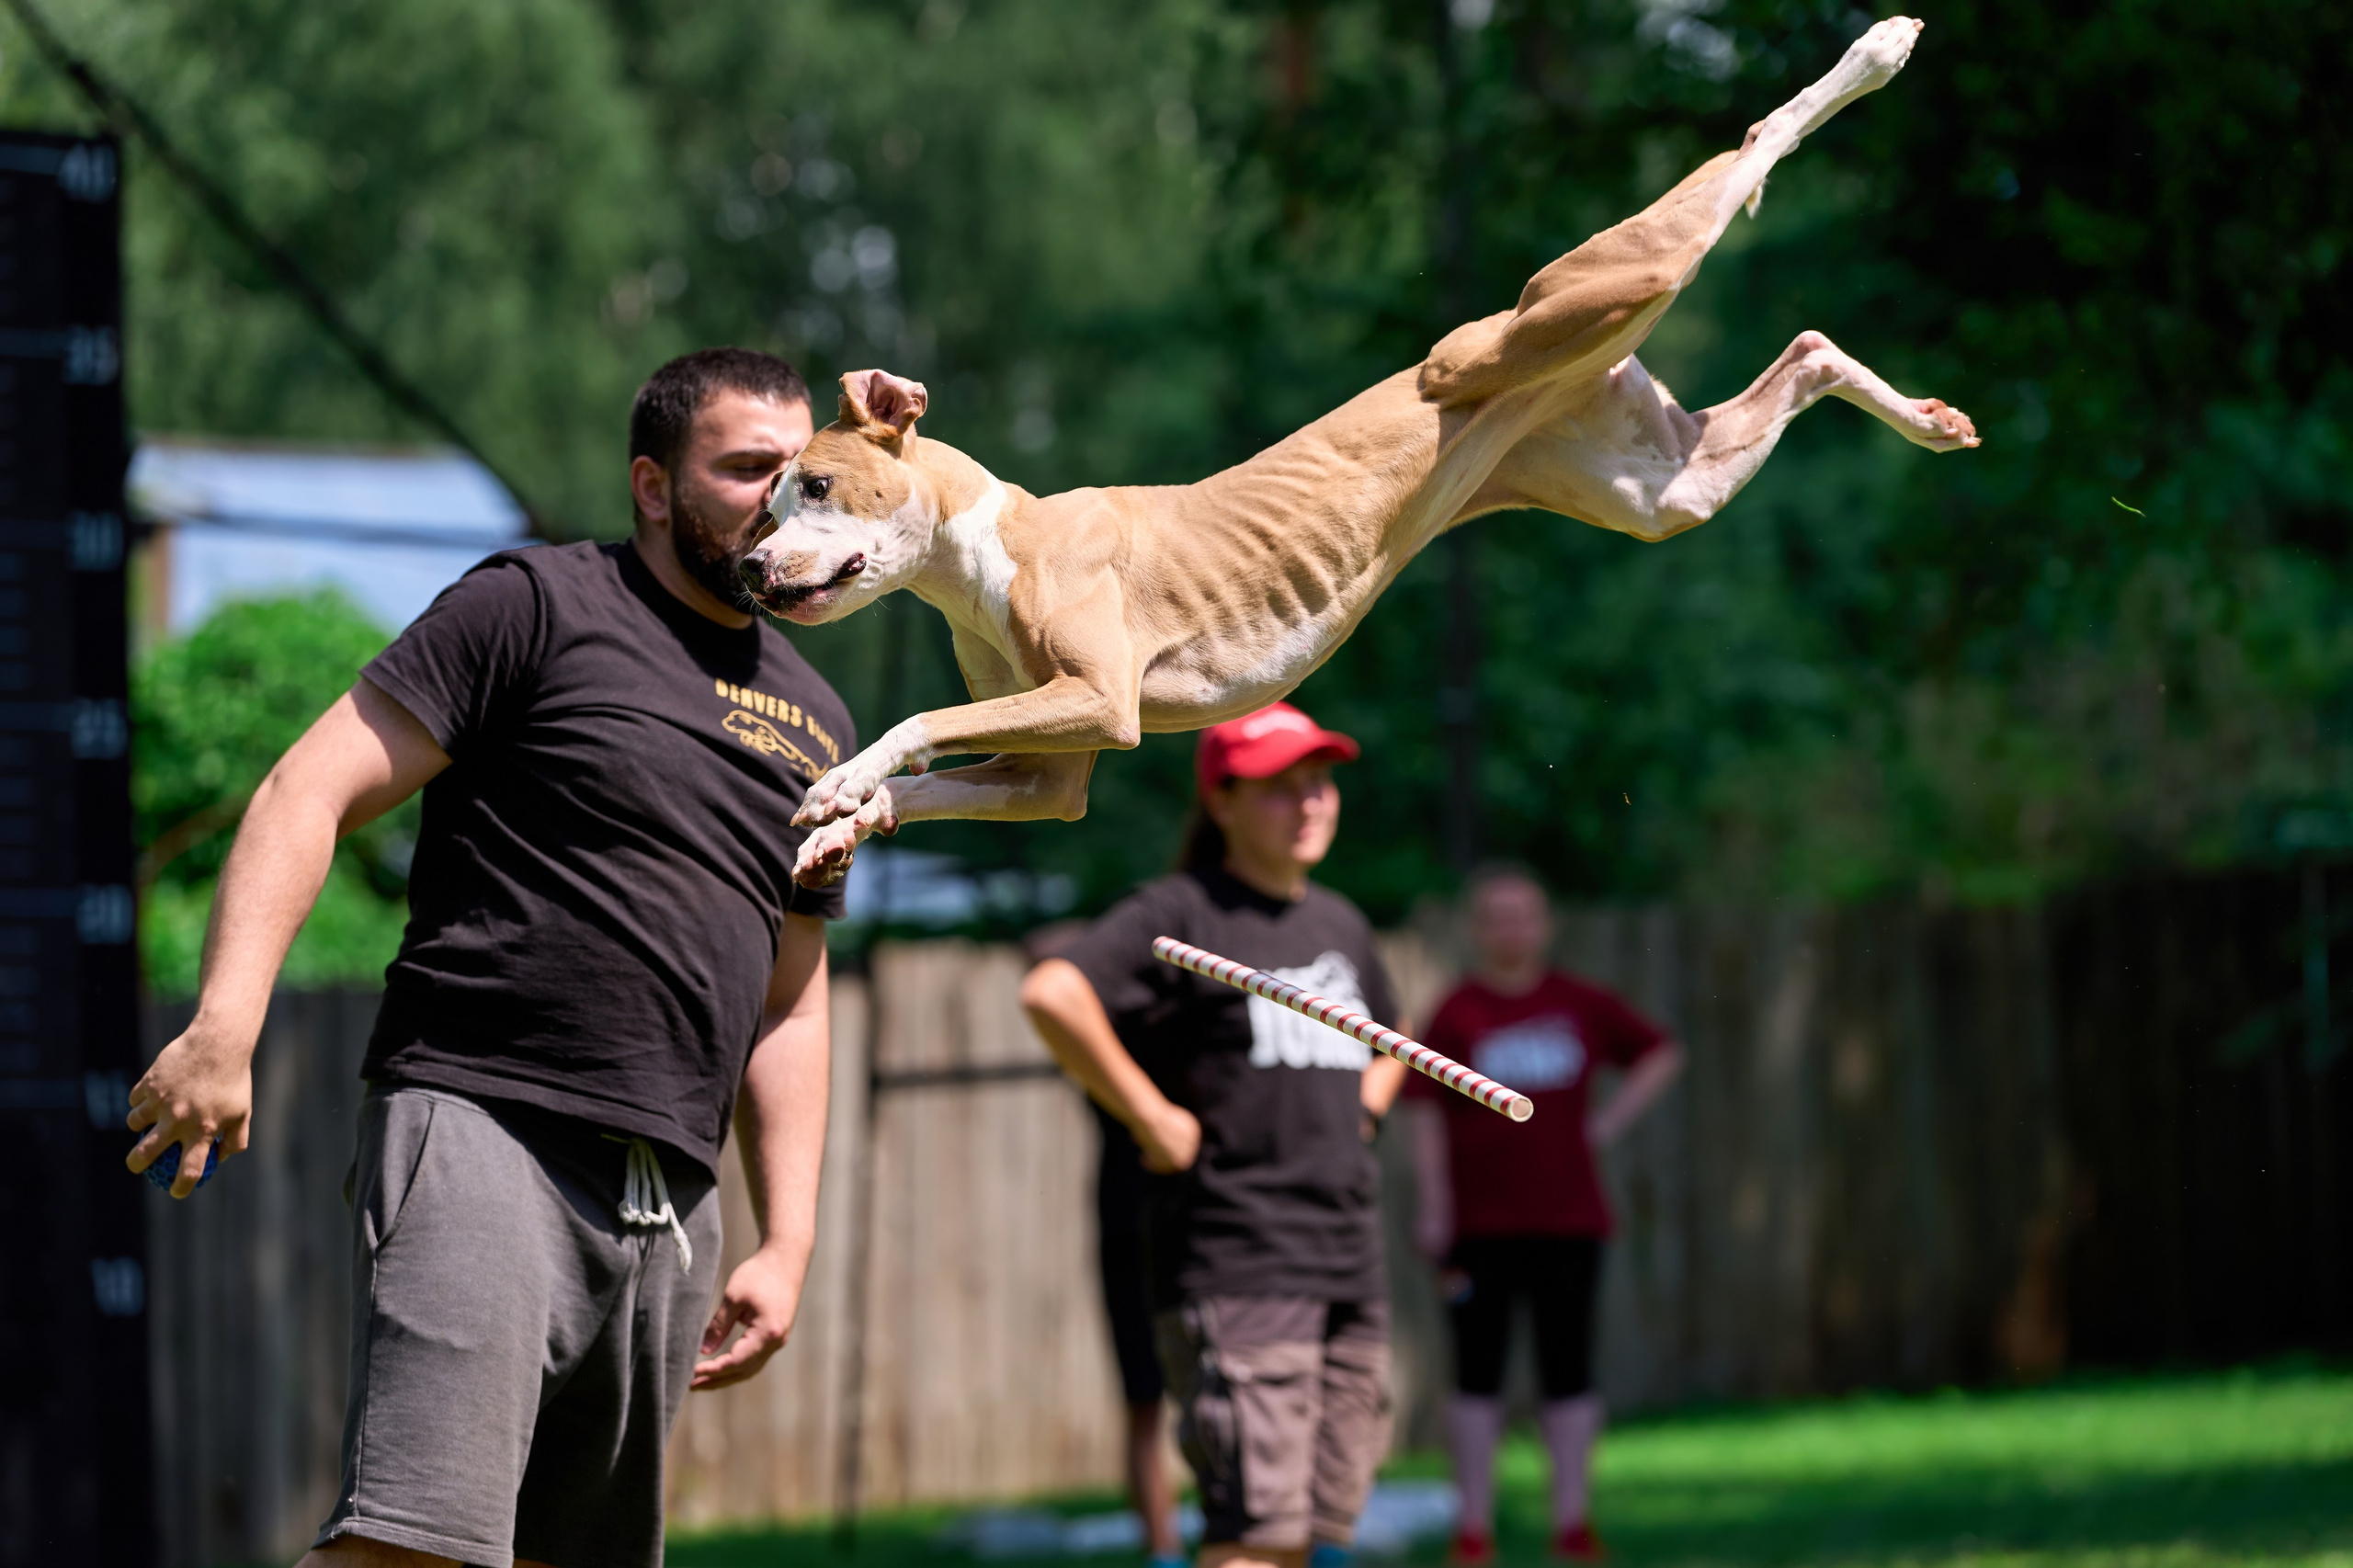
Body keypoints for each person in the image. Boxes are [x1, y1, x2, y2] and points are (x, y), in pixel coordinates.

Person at [126, 348, 851, 1568]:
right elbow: (310, 790)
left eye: (804, 471)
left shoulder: (821, 717)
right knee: (414, 1546)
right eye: (746, 468)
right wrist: (225, 1024)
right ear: (654, 485)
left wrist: (790, 1240)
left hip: (670, 1196)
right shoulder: (538, 604)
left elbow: (792, 997)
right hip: (488, 1127)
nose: (782, 496)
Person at [1021, 701, 1409, 1568]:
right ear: (1224, 802)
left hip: (1348, 1258)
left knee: (1317, 1535)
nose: (1310, 804)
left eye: (1321, 785)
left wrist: (1368, 1109)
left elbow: (1395, 1032)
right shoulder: (1183, 912)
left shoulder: (1340, 924)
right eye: (1282, 789)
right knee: (1251, 1536)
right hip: (1239, 1258)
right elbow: (1054, 992)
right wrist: (1149, 1115)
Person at [1404, 868, 1686, 1564]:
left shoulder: (1578, 1003)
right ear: (1478, 928)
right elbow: (1422, 1113)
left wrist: (1608, 1124)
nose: (1511, 929)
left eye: (1523, 915)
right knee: (1477, 1373)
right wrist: (1436, 1206)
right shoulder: (1457, 1012)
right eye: (1496, 916)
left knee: (1569, 1370)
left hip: (1569, 1221)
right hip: (1478, 1228)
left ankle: (1573, 1524)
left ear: (1545, 924)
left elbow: (1660, 1052)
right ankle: (1473, 1531)